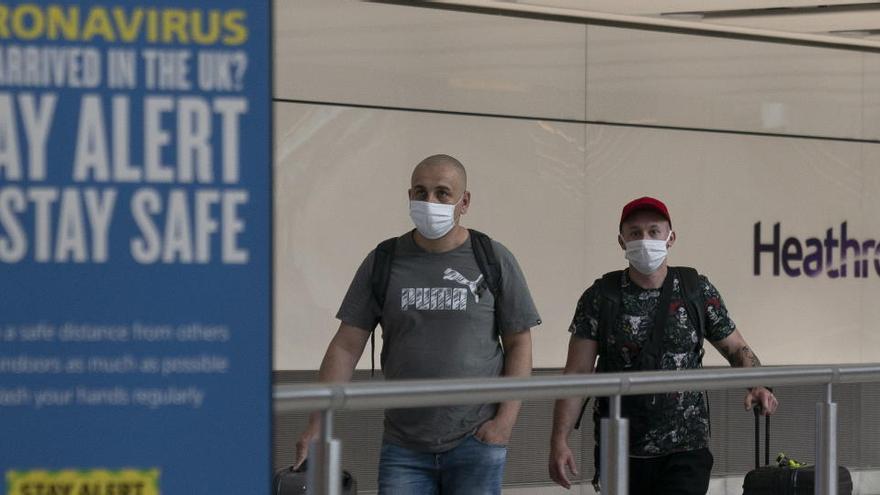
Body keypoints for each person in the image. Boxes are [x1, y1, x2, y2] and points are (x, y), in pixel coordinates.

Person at [295, 154, 541, 495]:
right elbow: (346, 345)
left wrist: (504, 424)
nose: (431, 202)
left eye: (443, 193)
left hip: (476, 439)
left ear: (464, 201)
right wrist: (317, 424)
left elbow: (519, 342)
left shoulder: (494, 258)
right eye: (421, 192)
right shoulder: (384, 260)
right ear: (409, 196)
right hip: (404, 446)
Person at [549, 196, 779, 495]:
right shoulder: (600, 296)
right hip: (620, 449)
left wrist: (759, 385)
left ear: (671, 237)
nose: (645, 240)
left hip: (686, 450)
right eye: (635, 233)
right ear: (621, 241)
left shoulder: (696, 289)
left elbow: (736, 348)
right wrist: (558, 439)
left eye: (654, 231)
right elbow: (577, 373)